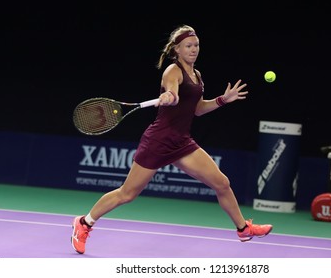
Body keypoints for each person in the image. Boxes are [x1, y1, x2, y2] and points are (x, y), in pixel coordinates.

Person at [71, 24, 272, 254]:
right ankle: (84, 223)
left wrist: (223, 100)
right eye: (188, 46)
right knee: (127, 194)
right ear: (177, 49)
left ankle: (243, 229)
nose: (194, 49)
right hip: (158, 141)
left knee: (222, 183)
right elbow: (172, 91)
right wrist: (169, 95)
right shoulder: (172, 71)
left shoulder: (197, 75)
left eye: (196, 45)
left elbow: (197, 109)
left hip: (182, 142)